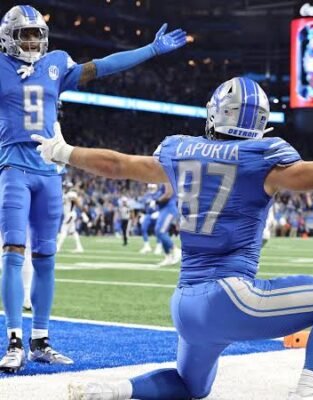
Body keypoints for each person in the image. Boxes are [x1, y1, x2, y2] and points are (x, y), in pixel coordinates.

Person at [32, 78, 313, 400]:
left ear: (214, 113)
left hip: (185, 304)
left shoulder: (180, 151)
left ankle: (109, 391)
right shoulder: (262, 157)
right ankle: (306, 394)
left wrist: (64, 151)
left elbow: (118, 165)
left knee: (192, 387)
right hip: (230, 297)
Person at [0, 4, 187, 372]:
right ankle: (14, 340)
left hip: (49, 171)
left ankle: (41, 340)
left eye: (37, 34)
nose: (33, 41)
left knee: (46, 257)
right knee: (13, 253)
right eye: (25, 34)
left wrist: (150, 50)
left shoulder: (55, 64)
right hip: (13, 169)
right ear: (8, 37)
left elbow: (103, 65)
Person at [155, 183, 181, 266]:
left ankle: (176, 249)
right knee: (160, 232)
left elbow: (168, 194)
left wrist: (157, 201)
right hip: (164, 209)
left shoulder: (167, 177)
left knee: (161, 231)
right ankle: (168, 257)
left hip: (169, 209)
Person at [57, 184, 84, 253]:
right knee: (73, 232)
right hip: (68, 214)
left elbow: (76, 201)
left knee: (63, 230)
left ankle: (58, 247)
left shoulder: (71, 194)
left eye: (65, 187)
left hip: (70, 214)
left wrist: (81, 208)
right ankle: (79, 247)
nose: (64, 188)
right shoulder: (65, 194)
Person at [139, 184, 162, 255]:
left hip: (157, 214)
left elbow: (162, 203)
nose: (151, 189)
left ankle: (159, 246)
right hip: (148, 214)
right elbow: (144, 206)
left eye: (152, 187)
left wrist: (159, 212)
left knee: (158, 230)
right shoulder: (146, 195)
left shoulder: (159, 194)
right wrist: (143, 214)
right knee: (143, 228)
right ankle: (147, 246)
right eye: (150, 187)